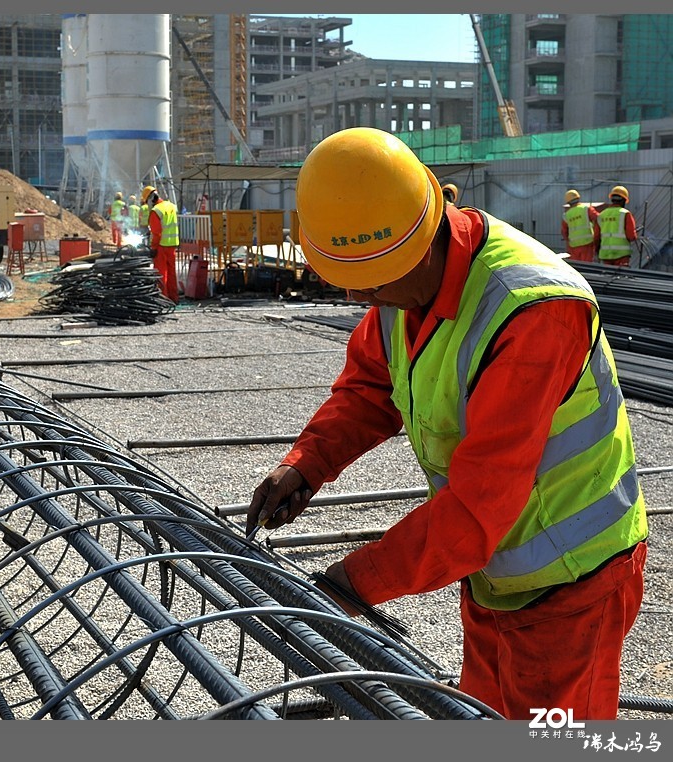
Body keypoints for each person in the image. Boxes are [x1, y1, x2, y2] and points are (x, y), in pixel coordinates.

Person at [246, 127, 648, 721]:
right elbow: (368, 391)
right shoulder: (400, 295)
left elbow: (478, 508)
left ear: (417, 250)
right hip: (490, 573)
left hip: (573, 582)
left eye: (370, 282)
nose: (360, 296)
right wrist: (305, 465)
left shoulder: (533, 311)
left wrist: (353, 583)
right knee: (481, 719)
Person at [142, 185, 180, 304]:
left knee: (161, 274)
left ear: (150, 199)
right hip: (172, 244)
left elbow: (157, 233)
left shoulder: (156, 211)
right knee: (172, 272)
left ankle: (163, 299)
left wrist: (153, 248)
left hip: (161, 246)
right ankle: (173, 298)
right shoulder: (171, 206)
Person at [594, 185, 638, 267]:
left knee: (606, 277)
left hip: (605, 255)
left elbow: (596, 237)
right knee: (621, 278)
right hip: (622, 255)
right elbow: (631, 236)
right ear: (624, 200)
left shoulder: (601, 215)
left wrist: (597, 251)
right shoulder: (625, 214)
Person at [560, 189, 600, 262]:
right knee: (587, 267)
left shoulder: (566, 215)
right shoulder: (586, 209)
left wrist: (569, 241)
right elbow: (598, 219)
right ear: (578, 198)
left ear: (568, 202)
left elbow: (564, 232)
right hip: (587, 244)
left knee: (577, 267)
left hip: (573, 246)